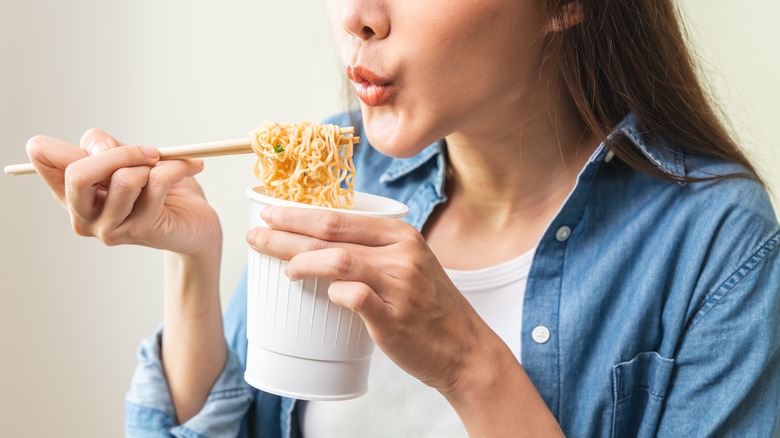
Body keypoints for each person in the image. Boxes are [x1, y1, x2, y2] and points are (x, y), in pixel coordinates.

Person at [25, 0, 780, 436]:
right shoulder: (331, 174)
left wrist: (467, 363)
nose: (357, 16)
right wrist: (189, 262)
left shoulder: (716, 244)